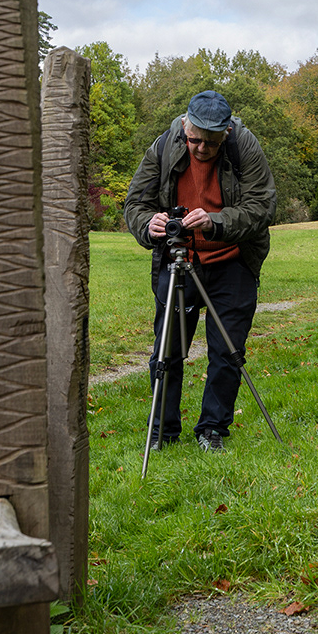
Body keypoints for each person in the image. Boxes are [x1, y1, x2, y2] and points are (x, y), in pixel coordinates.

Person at [124, 90, 276, 452]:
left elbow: (263, 206)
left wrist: (216, 222)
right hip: (180, 259)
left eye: (210, 142)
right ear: (184, 126)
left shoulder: (245, 146)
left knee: (226, 352)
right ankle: (162, 432)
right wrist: (151, 224)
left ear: (225, 133)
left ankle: (212, 431)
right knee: (167, 350)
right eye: (194, 140)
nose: (201, 149)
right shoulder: (163, 146)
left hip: (234, 260)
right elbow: (135, 204)